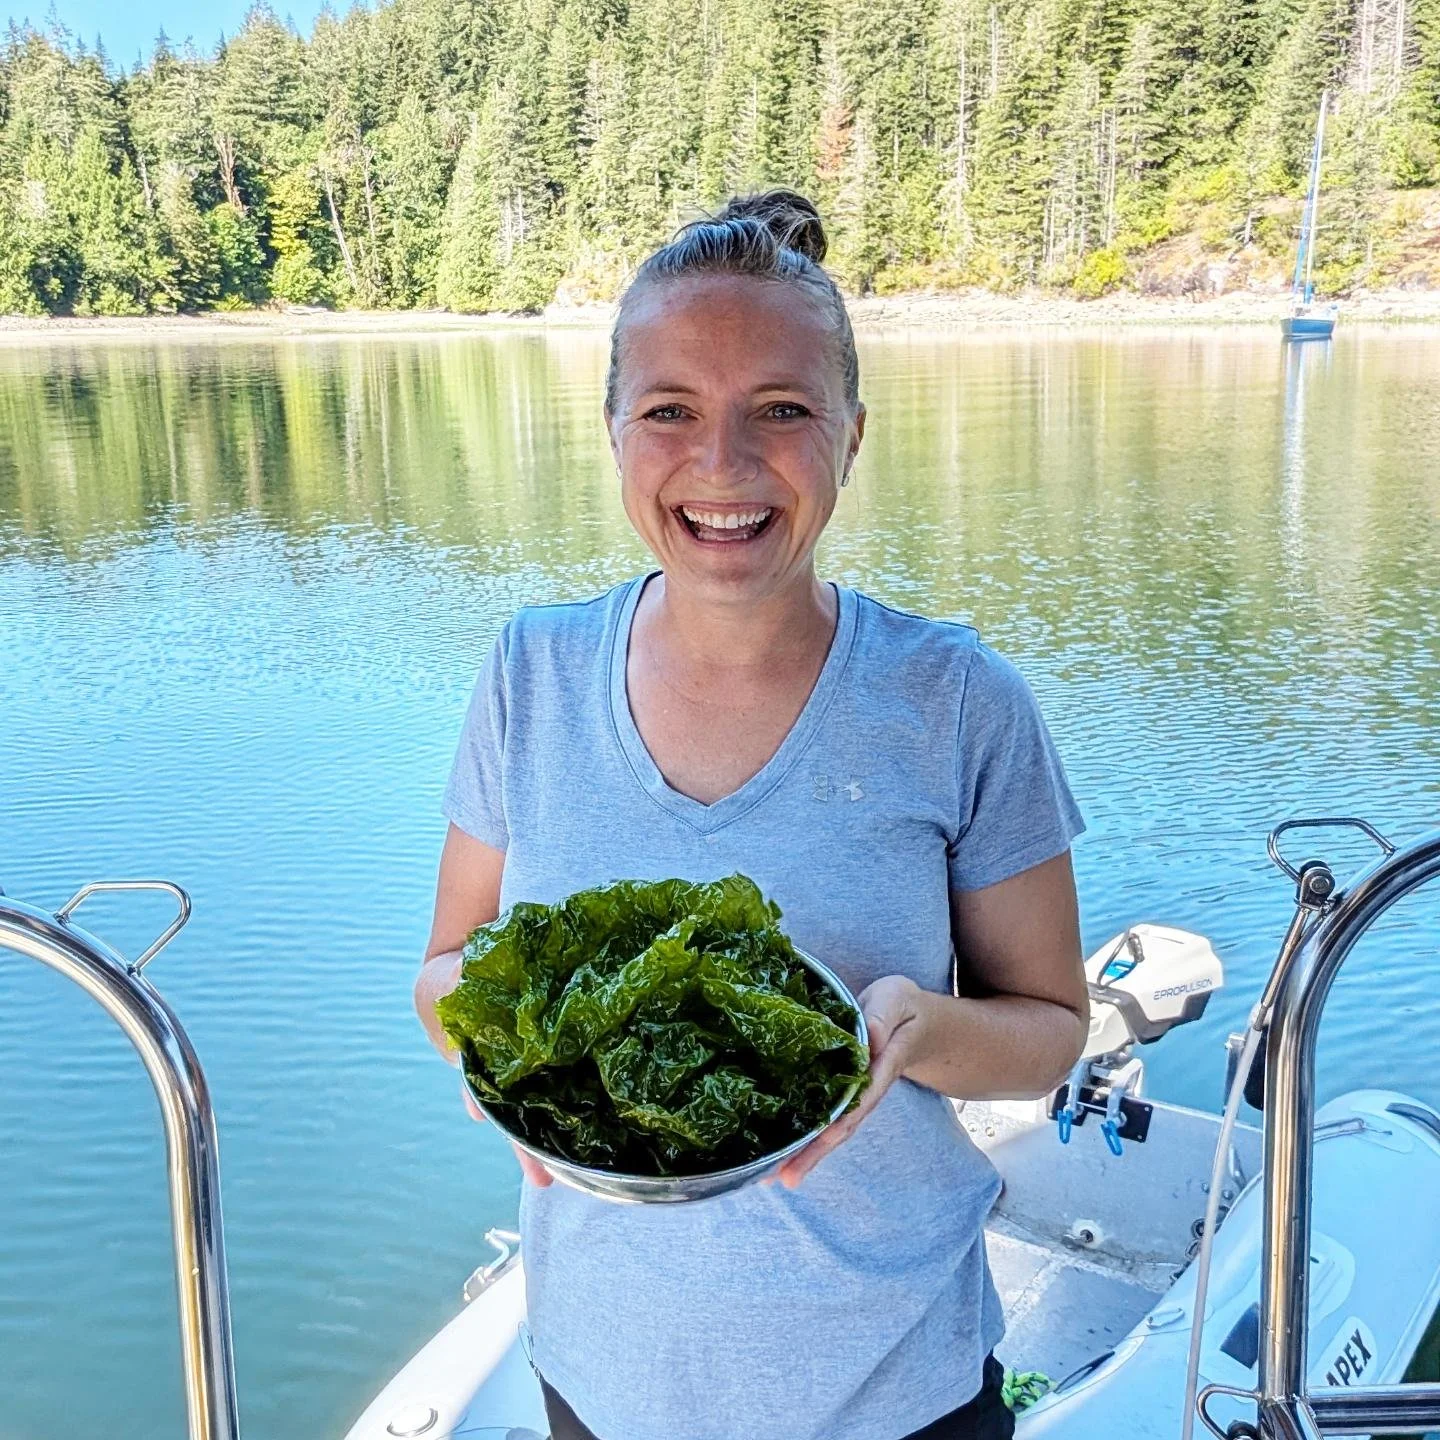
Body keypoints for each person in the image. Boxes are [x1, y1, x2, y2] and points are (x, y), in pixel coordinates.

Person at [414, 189, 1088, 1440]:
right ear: (614, 431)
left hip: (898, 1388)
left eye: (782, 410)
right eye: (669, 410)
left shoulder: (956, 701)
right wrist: (497, 1060)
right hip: (603, 1377)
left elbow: (1050, 1030)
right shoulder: (529, 674)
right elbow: (448, 968)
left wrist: (918, 1031)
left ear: (852, 436)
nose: (722, 464)